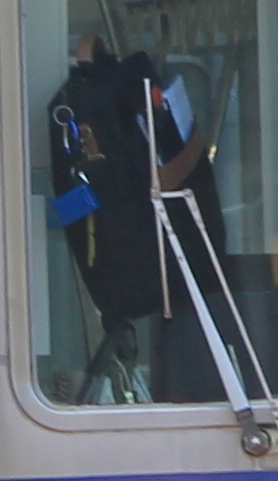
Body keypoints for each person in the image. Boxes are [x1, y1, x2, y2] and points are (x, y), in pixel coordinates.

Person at [43, 31, 229, 401]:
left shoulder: (82, 108)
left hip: (152, 274)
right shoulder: (113, 99)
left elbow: (71, 208)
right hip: (170, 272)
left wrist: (57, 218)